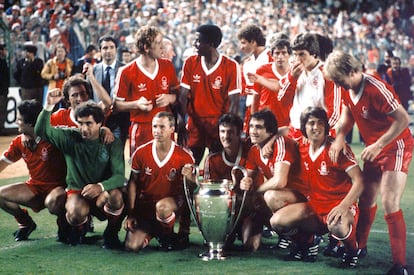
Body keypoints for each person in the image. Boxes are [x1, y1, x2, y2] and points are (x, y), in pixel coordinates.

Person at [324, 50, 414, 274]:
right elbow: (347, 115)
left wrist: (379, 144)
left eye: (339, 80)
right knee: (366, 199)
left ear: (353, 71)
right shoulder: (347, 88)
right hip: (375, 148)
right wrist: (340, 138)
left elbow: (403, 118)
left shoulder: (376, 88)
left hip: (396, 145)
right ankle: (360, 248)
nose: (338, 85)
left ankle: (400, 266)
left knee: (389, 200)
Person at [268, 107, 364, 268]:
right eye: (311, 123)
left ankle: (352, 251)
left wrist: (343, 206)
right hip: (314, 208)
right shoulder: (300, 147)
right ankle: (308, 243)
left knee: (338, 226)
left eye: (320, 123)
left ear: (326, 126)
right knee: (277, 221)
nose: (315, 127)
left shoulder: (337, 149)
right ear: (304, 127)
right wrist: (269, 142)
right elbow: (285, 133)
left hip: (339, 206)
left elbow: (360, 181)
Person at [34, 90, 125, 249]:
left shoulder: (112, 142)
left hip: (101, 195)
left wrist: (100, 186)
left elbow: (119, 176)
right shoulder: (70, 137)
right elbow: (41, 131)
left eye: (88, 123)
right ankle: (78, 229)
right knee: (75, 212)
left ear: (99, 123)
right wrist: (49, 105)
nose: (83, 128)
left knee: (117, 196)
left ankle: (111, 233)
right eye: (80, 123)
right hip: (77, 192)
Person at [124, 111, 194, 252]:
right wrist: (131, 213)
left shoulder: (184, 156)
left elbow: (191, 189)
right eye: (154, 126)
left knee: (162, 207)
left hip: (169, 205)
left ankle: (166, 235)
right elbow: (132, 183)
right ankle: (154, 232)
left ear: (172, 129)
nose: (157, 131)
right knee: (131, 246)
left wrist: (189, 177)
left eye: (162, 127)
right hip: (146, 206)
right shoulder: (141, 152)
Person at [240, 109, 308, 251]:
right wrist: (245, 183)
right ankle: (287, 235)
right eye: (251, 126)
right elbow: (248, 177)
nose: (253, 131)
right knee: (253, 200)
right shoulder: (254, 150)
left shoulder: (281, 143)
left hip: (305, 195)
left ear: (270, 132)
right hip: (286, 196)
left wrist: (256, 190)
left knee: (270, 196)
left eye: (258, 127)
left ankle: (303, 236)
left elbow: (279, 181)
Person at [0, 100, 67, 241]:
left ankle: (66, 223)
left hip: (59, 190)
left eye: (19, 120)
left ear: (30, 124)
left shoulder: (54, 136)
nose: (16, 122)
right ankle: (26, 223)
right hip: (35, 188)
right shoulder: (19, 141)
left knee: (52, 202)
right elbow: (2, 164)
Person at [195, 113, 263, 251]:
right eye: (222, 131)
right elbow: (212, 195)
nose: (226, 136)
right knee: (221, 243)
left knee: (250, 246)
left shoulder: (251, 150)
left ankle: (257, 227)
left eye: (230, 132)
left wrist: (250, 186)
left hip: (248, 209)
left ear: (239, 134)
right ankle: (224, 232)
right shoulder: (212, 159)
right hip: (225, 212)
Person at [177, 24, 241, 164]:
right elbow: (182, 96)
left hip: (217, 126)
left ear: (211, 44)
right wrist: (180, 120)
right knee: (188, 167)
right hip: (195, 125)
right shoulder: (190, 62)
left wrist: (226, 130)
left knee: (217, 169)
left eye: (198, 41)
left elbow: (234, 102)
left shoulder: (230, 66)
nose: (195, 44)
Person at [114, 25, 179, 155]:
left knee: (166, 169)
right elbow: (116, 105)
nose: (162, 47)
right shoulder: (126, 72)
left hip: (165, 127)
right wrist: (136, 104)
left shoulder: (167, 65)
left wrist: (170, 98)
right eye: (158, 43)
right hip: (141, 129)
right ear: (146, 47)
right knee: (139, 171)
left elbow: (178, 95)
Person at [278, 32, 341, 140]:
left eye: (302, 54)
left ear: (314, 54)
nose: (297, 59)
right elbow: (283, 101)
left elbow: (335, 112)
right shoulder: (292, 73)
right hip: (295, 132)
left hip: (318, 135)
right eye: (295, 54)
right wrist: (292, 79)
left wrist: (317, 132)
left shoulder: (327, 74)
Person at [247, 38, 292, 135]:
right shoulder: (262, 70)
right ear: (272, 55)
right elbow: (256, 97)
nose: (280, 57)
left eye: (284, 53)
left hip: (287, 123)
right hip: (265, 122)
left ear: (289, 55)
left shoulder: (294, 73)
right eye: (277, 53)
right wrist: (253, 121)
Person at [91, 35, 129, 147]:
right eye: (105, 48)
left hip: (119, 119)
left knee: (117, 157)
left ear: (116, 49)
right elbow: (88, 95)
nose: (108, 51)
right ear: (100, 51)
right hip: (98, 120)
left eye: (112, 47)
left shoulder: (126, 70)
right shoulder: (93, 71)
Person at [237, 24, 273, 136]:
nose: (241, 47)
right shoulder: (247, 63)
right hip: (250, 110)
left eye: (243, 42)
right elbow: (243, 89)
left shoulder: (272, 58)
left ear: (253, 42)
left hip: (269, 110)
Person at [0, 44, 10, 134]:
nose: (6, 52)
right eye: (4, 50)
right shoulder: (2, 62)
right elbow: (5, 78)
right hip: (2, 91)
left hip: (2, 90)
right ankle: (1, 129)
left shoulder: (3, 61)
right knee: (2, 110)